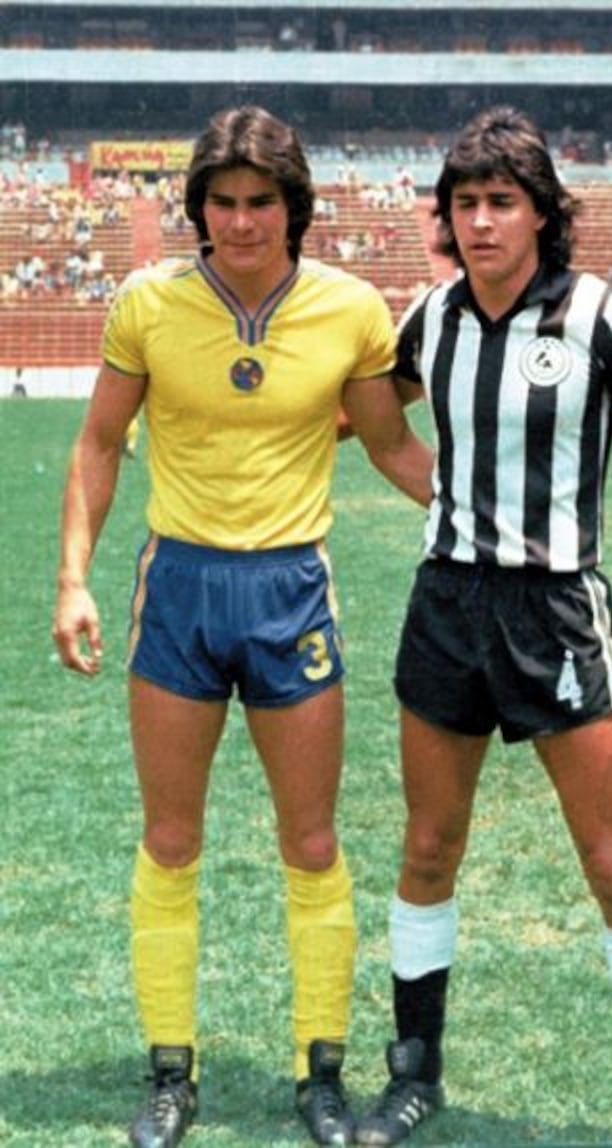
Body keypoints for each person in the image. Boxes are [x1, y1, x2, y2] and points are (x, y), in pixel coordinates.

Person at [52, 105, 433, 1148]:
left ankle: (320, 1069)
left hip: (288, 595)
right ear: (199, 208)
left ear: (293, 206)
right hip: (176, 590)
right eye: (221, 201)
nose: (240, 220)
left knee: (309, 841)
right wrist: (71, 579)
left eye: (260, 200)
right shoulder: (148, 303)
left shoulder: (351, 309)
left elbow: (391, 444)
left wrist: (487, 519)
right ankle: (171, 1070)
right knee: (171, 838)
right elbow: (97, 441)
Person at [357, 106, 612, 1146]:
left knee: (608, 855)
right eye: (463, 203)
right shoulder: (430, 318)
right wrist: (449, 495)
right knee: (427, 845)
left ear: (544, 215)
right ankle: (413, 1072)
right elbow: (375, 422)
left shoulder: (599, 316)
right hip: (448, 605)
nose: (481, 222)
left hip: (554, 611)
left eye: (501, 202)